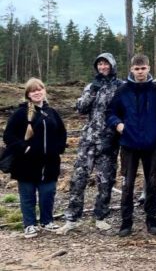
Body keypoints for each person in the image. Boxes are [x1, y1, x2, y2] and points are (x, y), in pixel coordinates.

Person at [58, 53, 122, 234]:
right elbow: (80, 108)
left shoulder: (120, 86)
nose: (103, 67)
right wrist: (93, 90)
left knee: (106, 181)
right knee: (78, 179)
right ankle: (72, 218)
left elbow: (125, 109)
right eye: (100, 64)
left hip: (109, 141)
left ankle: (101, 217)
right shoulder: (91, 86)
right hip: (88, 141)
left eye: (106, 64)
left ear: (112, 66)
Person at [106, 54, 156, 237]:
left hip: (152, 145)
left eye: (143, 68)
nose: (140, 72)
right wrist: (118, 124)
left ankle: (152, 219)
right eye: (137, 69)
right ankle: (126, 222)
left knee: (152, 182)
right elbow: (110, 112)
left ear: (149, 68)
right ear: (131, 69)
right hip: (129, 144)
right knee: (128, 184)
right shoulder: (122, 90)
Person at [3, 78, 67, 238]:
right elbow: (8, 136)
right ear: (28, 94)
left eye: (40, 89)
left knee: (48, 193)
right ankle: (29, 225)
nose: (37, 92)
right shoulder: (21, 113)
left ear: (44, 91)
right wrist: (25, 148)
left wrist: (58, 149)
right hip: (26, 164)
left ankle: (47, 221)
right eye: (33, 90)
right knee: (28, 196)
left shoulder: (52, 112)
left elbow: (62, 133)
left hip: (49, 164)